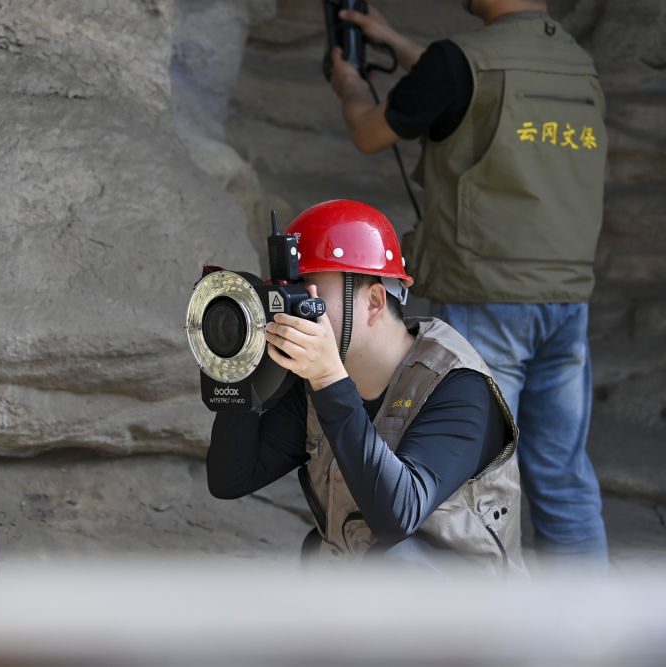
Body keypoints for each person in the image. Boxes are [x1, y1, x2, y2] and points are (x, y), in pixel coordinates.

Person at [327, 0, 609, 568]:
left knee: (468, 487)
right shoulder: (576, 62)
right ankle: (590, 621)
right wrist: (392, 38)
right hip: (565, 299)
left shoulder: (461, 61)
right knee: (563, 475)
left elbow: (369, 132)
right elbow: (465, 79)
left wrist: (350, 83)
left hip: (487, 297)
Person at [207, 199, 526, 575]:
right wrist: (241, 365)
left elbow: (397, 517)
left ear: (374, 301)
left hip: (464, 602)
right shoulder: (314, 381)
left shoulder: (457, 385)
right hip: (365, 590)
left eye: (308, 296)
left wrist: (329, 380)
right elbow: (231, 478)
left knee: (397, 562)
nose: (293, 313)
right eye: (288, 296)